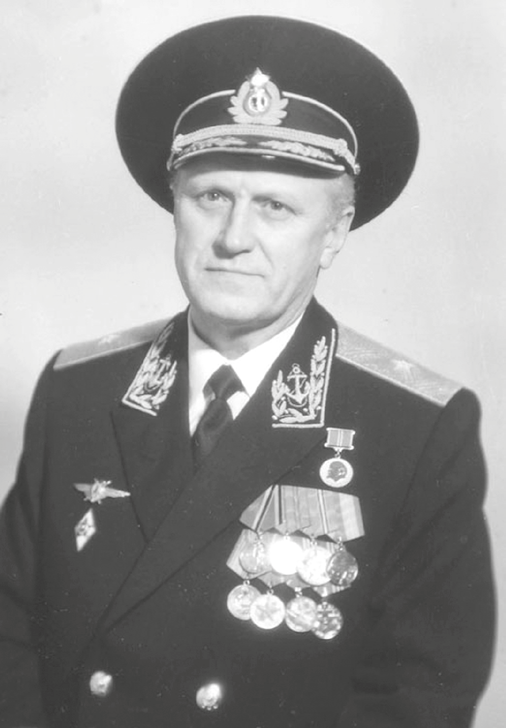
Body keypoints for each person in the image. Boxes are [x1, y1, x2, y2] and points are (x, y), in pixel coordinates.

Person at [0, 15, 495, 728]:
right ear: (175, 206)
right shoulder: (78, 389)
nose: (234, 238)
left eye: (275, 207)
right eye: (212, 197)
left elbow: (419, 701)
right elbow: (9, 636)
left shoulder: (417, 431)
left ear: (334, 233)